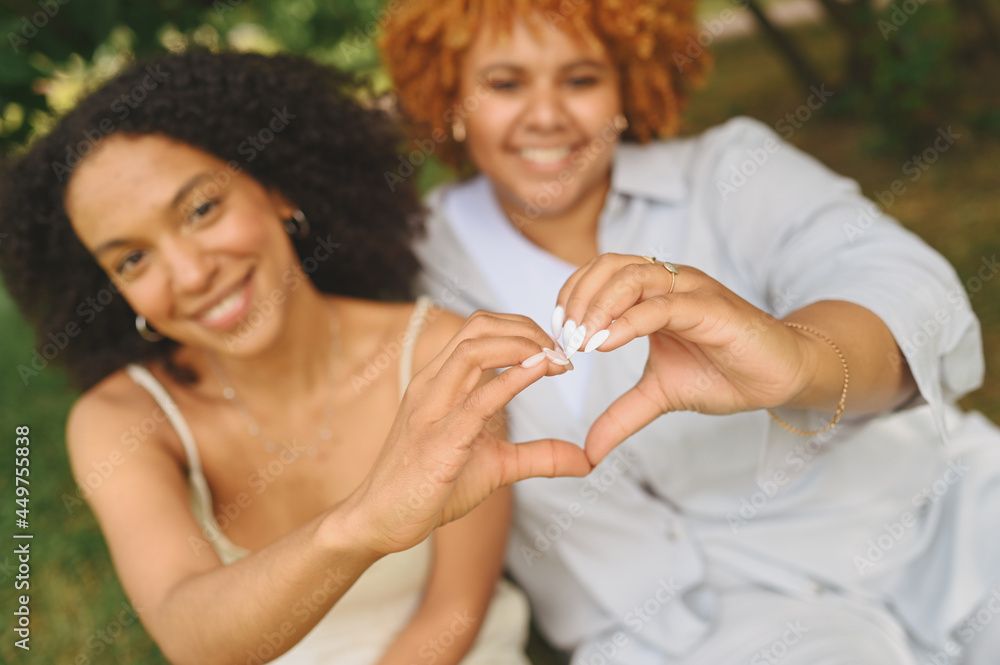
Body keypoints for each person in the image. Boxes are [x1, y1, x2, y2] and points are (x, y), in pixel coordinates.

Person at [380, 1, 1000, 663]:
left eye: (582, 79)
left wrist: (797, 359)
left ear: (627, 87)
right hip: (674, 637)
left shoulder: (726, 172)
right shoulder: (405, 265)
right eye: (504, 84)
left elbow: (906, 286)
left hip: (943, 528)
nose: (546, 115)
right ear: (448, 97)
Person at [0, 50, 592, 665]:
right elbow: (189, 633)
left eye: (202, 209)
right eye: (132, 259)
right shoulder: (122, 420)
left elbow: (454, 612)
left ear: (277, 189)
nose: (190, 273)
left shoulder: (441, 354)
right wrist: (360, 525)